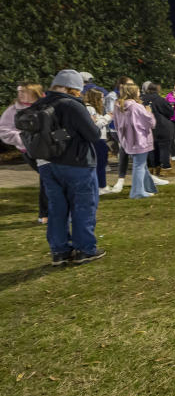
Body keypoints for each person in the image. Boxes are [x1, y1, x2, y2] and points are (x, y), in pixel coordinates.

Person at [34, 70, 105, 264]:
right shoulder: (72, 105)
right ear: (74, 89)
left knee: (57, 208)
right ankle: (85, 249)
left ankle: (60, 251)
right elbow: (93, 135)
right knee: (83, 207)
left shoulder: (40, 104)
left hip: (48, 165)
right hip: (77, 163)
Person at [1, 83, 50, 222]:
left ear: (35, 92)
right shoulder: (13, 110)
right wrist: (25, 140)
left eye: (24, 91)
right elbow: (4, 131)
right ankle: (45, 214)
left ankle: (54, 211)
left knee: (51, 177)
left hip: (50, 149)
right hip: (29, 151)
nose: (20, 94)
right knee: (47, 177)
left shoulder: (47, 106)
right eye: (19, 91)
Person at [113, 83, 158, 199]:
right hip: (140, 140)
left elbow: (117, 124)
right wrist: (149, 111)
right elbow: (150, 123)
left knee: (141, 165)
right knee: (139, 166)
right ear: (133, 92)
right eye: (138, 91)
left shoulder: (118, 106)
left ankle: (148, 187)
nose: (139, 93)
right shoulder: (136, 107)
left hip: (127, 140)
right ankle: (137, 192)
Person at [81, 90, 114, 195]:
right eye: (101, 98)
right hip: (97, 139)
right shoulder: (90, 109)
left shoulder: (93, 109)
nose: (103, 100)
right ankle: (101, 186)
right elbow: (94, 126)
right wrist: (108, 117)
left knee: (101, 163)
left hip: (99, 138)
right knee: (100, 163)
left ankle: (101, 185)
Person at [142, 83, 175, 179]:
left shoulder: (141, 100)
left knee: (152, 148)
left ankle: (153, 167)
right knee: (164, 147)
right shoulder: (161, 100)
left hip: (148, 127)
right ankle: (165, 168)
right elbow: (170, 112)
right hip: (162, 126)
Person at [106, 76, 134, 193]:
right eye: (130, 84)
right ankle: (120, 180)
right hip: (118, 129)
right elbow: (111, 112)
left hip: (128, 129)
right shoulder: (113, 96)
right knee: (126, 152)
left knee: (131, 154)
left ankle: (121, 180)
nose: (132, 86)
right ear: (122, 85)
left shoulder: (130, 98)